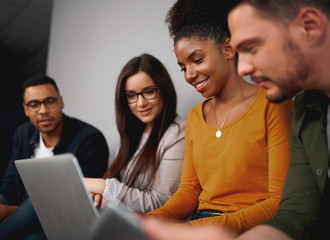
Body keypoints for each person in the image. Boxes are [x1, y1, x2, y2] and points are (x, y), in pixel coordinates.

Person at [143, 0, 330, 239]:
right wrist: (153, 220)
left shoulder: (277, 104)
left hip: (238, 224)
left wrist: (192, 230)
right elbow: (189, 191)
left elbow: (280, 205)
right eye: (183, 68)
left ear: (228, 49)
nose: (189, 75)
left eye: (197, 60)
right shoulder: (307, 109)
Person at [0, 74, 109, 239]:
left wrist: (20, 211)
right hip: (27, 219)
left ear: (61, 102)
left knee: (39, 211)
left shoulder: (90, 139)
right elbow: (8, 187)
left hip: (65, 224)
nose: (43, 110)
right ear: (26, 109)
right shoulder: (23, 134)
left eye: (50, 101)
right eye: (34, 104)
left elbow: (81, 203)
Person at [85, 53, 185, 213]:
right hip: (117, 220)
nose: (141, 103)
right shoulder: (131, 133)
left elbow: (158, 203)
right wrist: (101, 194)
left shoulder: (178, 134)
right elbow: (115, 191)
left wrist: (103, 186)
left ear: (164, 88)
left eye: (149, 91)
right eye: (131, 95)